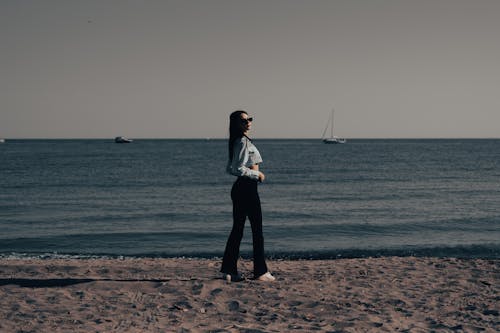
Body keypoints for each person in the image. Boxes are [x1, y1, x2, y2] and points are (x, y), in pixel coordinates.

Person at [221, 110, 276, 282]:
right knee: (256, 231)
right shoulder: (242, 142)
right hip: (247, 188)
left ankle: (229, 270)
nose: (248, 123)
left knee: (238, 230)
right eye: (244, 121)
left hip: (242, 189)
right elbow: (236, 169)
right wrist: (257, 175)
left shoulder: (238, 141)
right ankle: (261, 272)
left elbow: (230, 167)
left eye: (249, 119)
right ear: (237, 124)